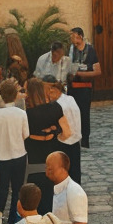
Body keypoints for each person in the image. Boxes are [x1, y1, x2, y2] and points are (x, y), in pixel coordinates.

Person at [24, 77, 69, 214]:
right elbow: (67, 132)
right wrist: (54, 133)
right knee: (50, 196)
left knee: (32, 197)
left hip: (32, 160)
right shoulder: (55, 108)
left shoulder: (26, 113)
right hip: (51, 157)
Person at [0, 79, 29, 223]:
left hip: (2, 154)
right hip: (19, 153)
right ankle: (14, 217)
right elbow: (26, 135)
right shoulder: (21, 113)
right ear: (15, 95)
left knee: (3, 187)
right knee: (17, 188)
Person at [67, 27, 100, 148]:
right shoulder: (70, 50)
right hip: (72, 88)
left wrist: (80, 74)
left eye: (73, 36)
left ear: (80, 36)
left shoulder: (90, 51)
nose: (71, 39)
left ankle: (85, 138)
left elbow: (97, 71)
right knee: (71, 114)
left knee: (84, 114)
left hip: (85, 88)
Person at [47, 76, 83, 183]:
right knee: (75, 170)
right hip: (75, 141)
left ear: (54, 90)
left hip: (64, 142)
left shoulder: (58, 105)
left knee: (62, 171)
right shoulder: (70, 98)